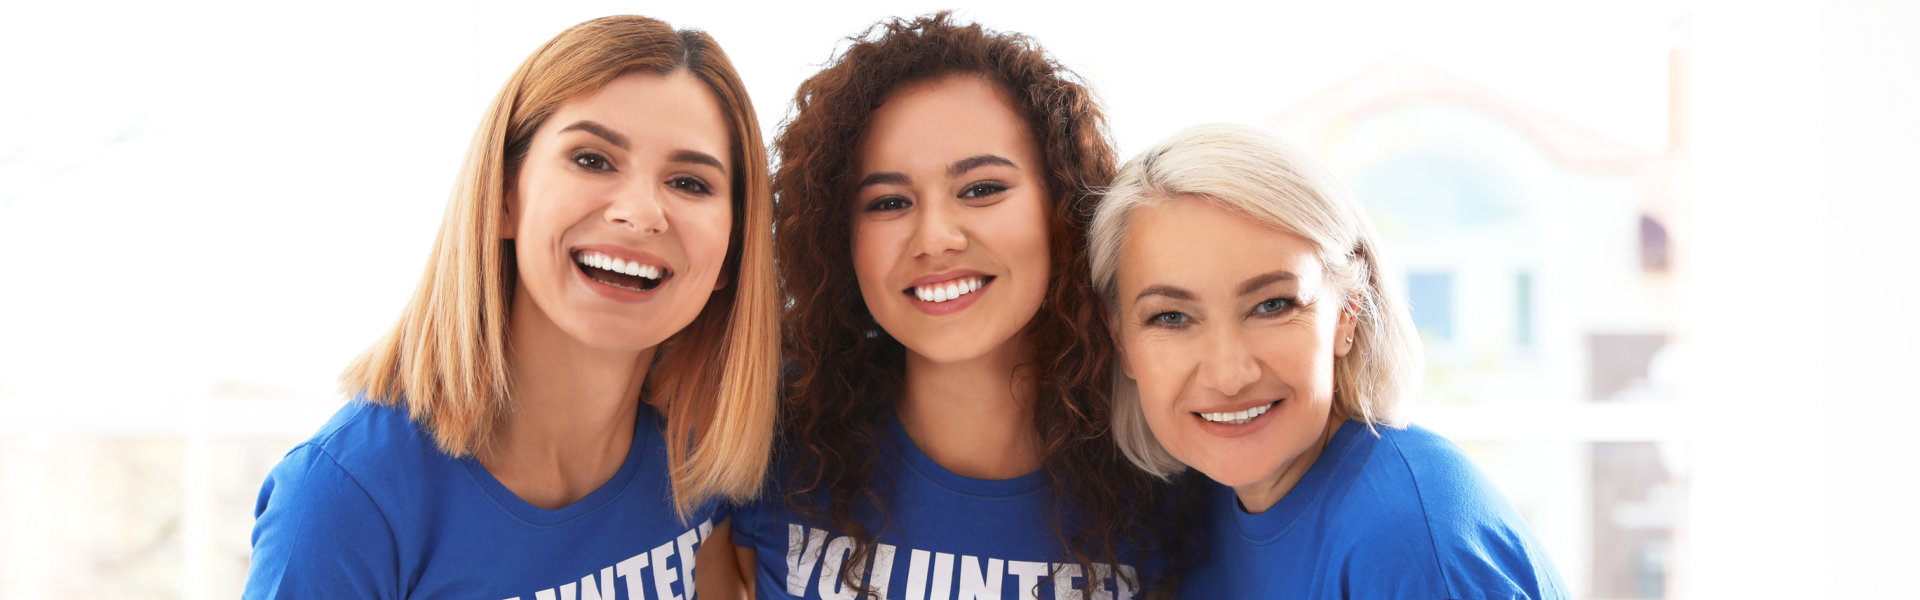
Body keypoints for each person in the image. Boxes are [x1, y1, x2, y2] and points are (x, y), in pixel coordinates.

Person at [243, 15, 779, 599]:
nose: (641, 212)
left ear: (732, 249)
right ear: (503, 196)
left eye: (690, 183)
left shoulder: (700, 456)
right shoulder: (344, 498)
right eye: (593, 159)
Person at [724, 12, 1169, 600]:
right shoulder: (764, 441)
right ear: (838, 236)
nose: (935, 237)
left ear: (1062, 203)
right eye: (888, 202)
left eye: (981, 189)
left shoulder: (1170, 472)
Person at [1089, 123, 1566, 598]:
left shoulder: (1408, 540)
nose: (1230, 375)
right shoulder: (1198, 506)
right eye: (1171, 317)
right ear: (1121, 340)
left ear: (1347, 311)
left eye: (1273, 305)